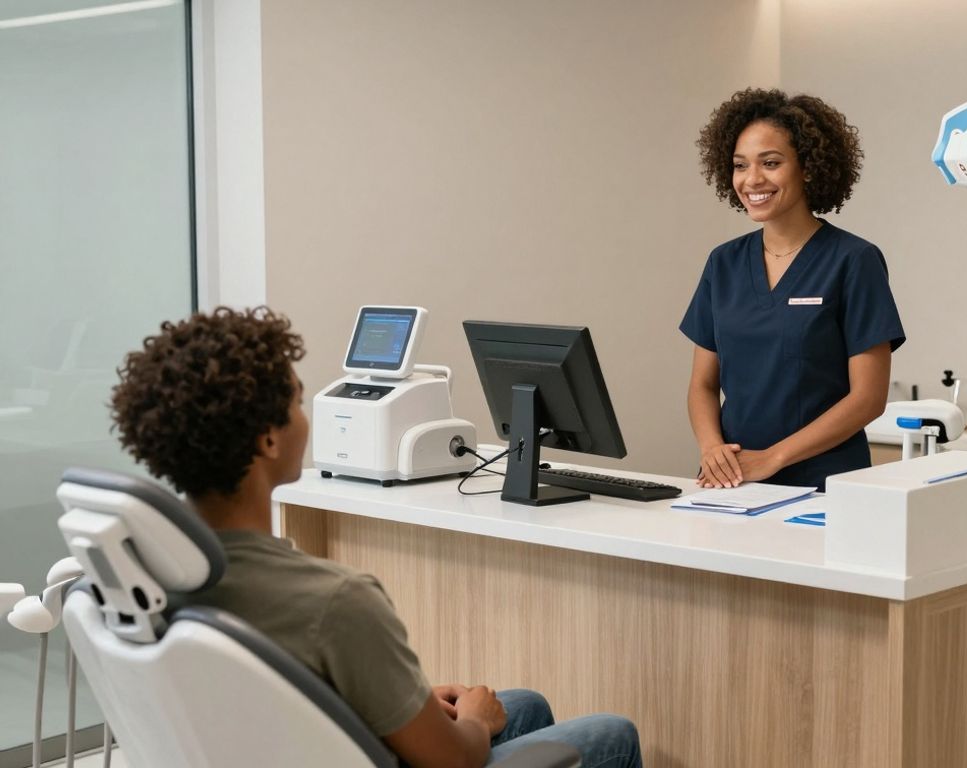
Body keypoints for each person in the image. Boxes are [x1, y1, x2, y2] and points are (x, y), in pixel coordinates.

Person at [109, 307, 642, 768]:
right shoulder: (335, 601)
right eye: (296, 403)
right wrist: (474, 725)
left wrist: (402, 705)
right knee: (611, 733)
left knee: (521, 704)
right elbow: (454, 760)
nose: (306, 419)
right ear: (269, 439)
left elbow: (265, 697)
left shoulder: (145, 575)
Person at [681, 88, 905, 492]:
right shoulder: (723, 263)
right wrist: (712, 448)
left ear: (809, 168)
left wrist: (772, 459)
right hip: (735, 480)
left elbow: (869, 398)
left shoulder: (853, 260)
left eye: (771, 163)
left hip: (826, 484)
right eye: (739, 165)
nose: (752, 180)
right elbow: (702, 384)